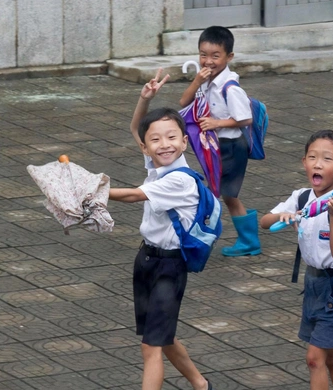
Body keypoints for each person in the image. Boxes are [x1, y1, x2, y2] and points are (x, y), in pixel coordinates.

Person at [109, 70, 212, 390]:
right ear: (147, 146)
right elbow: (135, 129)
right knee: (161, 338)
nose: (163, 144)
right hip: (147, 261)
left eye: (171, 137)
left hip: (170, 266)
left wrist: (92, 188)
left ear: (184, 141)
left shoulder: (179, 179)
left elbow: (133, 196)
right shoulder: (157, 165)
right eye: (155, 139)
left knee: (150, 346)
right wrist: (145, 100)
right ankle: (201, 384)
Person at [259, 130, 333, 390]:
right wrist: (282, 216)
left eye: (327, 159)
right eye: (312, 157)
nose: (317, 164)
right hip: (314, 284)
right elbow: (263, 222)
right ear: (303, 162)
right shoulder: (302, 198)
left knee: (315, 359)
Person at [179, 26, 260, 257]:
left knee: (221, 195)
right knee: (225, 195)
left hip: (232, 147)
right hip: (218, 147)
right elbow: (184, 101)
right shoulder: (206, 80)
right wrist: (196, 81)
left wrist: (217, 123)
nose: (208, 61)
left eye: (215, 56)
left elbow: (245, 119)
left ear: (229, 57)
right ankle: (248, 241)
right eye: (203, 55)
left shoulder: (230, 87)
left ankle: (238, 241)